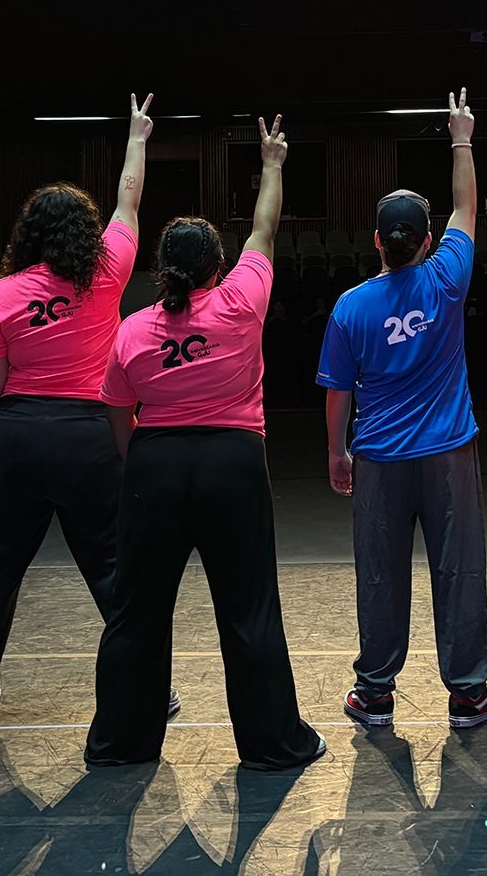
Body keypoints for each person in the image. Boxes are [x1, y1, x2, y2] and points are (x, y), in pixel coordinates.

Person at [86, 116, 326, 771]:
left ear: (164, 270)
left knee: (136, 612)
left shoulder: (133, 329)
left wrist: (143, 460)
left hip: (155, 465)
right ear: (218, 267)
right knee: (248, 609)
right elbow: (265, 230)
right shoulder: (243, 298)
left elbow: (115, 413)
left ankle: (120, 746)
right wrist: (272, 164)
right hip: (233, 464)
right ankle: (274, 745)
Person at [0, 94, 168, 724]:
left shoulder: (1, 292)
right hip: (87, 437)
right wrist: (137, 137)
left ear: (30, 235)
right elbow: (129, 201)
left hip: (17, 434)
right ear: (82, 232)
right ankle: (148, 683)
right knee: (110, 563)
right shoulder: (109, 271)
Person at [321, 89, 487, 730]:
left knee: (379, 573)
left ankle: (374, 692)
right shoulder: (447, 277)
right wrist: (461, 137)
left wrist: (336, 454)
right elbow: (467, 206)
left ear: (376, 241)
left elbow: (337, 393)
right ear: (427, 241)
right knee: (459, 570)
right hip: (448, 453)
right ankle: (468, 695)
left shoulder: (349, 307)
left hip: (379, 459)